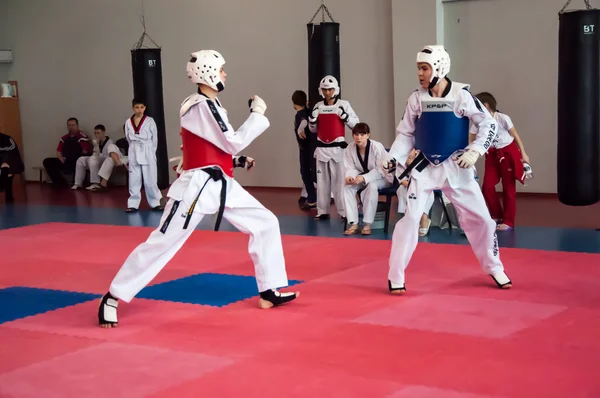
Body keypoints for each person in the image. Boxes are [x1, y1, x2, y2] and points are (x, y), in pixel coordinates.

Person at [98, 49, 299, 328]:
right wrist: (257, 114)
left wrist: (236, 161)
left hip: (219, 182)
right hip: (196, 187)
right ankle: (113, 296)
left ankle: (269, 290)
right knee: (164, 241)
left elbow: (213, 145)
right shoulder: (200, 105)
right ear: (208, 73)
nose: (225, 74)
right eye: (222, 70)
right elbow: (231, 142)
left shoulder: (210, 105)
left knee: (265, 222)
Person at [383, 45, 512, 294]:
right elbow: (406, 133)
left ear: (439, 68)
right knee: (410, 219)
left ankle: (494, 267)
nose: (420, 73)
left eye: (424, 68)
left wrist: (475, 151)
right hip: (424, 167)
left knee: (484, 220)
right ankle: (395, 275)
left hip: (456, 166)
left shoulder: (462, 96)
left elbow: (488, 124)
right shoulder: (416, 98)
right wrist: (393, 157)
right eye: (418, 68)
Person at [472, 92, 532, 231]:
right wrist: (473, 151)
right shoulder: (478, 121)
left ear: (489, 105)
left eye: (484, 105)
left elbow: (515, 135)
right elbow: (471, 137)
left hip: (508, 152)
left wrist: (524, 154)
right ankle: (496, 214)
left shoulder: (502, 118)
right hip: (492, 155)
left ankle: (508, 221)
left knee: (508, 188)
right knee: (487, 186)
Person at [308, 75, 359, 220]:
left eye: (330, 89)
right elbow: (313, 130)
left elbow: (356, 125)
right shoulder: (318, 106)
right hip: (321, 148)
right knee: (322, 182)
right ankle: (323, 210)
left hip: (338, 149)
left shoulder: (343, 104)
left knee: (339, 182)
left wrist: (345, 117)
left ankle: (344, 212)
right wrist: (312, 121)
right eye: (325, 90)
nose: (327, 92)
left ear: (335, 90)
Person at [342, 122, 392, 235]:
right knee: (347, 188)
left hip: (383, 178)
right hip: (362, 177)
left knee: (372, 186)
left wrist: (364, 177)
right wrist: (350, 176)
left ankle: (367, 224)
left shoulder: (376, 147)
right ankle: (354, 223)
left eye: (362, 134)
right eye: (356, 134)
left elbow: (381, 170)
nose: (358, 137)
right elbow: (350, 167)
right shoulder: (350, 148)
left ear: (368, 135)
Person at [124, 98, 163, 212]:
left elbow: (154, 139)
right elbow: (128, 138)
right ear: (133, 108)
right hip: (134, 149)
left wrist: (151, 152)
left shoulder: (150, 121)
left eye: (141, 107)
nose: (139, 110)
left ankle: (155, 202)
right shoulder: (128, 122)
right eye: (137, 107)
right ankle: (133, 204)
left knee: (150, 179)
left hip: (147, 149)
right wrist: (132, 149)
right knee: (134, 179)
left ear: (145, 108)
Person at [291, 90, 317, 210]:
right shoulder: (309, 111)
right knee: (310, 174)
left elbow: (304, 122)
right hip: (311, 148)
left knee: (305, 173)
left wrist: (300, 129)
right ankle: (312, 198)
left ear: (293, 103)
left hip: (305, 149)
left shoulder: (300, 114)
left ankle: (312, 199)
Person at [0, 130, 24, 203]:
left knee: (7, 168)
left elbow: (12, 150)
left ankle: (6, 193)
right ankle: (8, 196)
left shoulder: (7, 138)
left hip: (10, 163)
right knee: (6, 170)